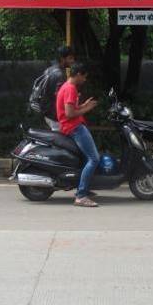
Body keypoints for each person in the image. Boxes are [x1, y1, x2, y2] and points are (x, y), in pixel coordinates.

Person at [56, 61, 100, 207]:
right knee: (94, 159)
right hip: (74, 127)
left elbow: (70, 109)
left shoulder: (66, 86)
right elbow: (69, 114)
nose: (85, 80)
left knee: (86, 158)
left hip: (71, 126)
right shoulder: (71, 88)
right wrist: (86, 110)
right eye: (84, 77)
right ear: (79, 74)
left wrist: (83, 105)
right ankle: (81, 195)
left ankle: (85, 187)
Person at [41, 45, 75, 131]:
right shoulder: (60, 75)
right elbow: (59, 97)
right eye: (70, 58)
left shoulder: (49, 70)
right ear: (62, 59)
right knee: (60, 142)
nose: (72, 61)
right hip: (54, 115)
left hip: (47, 112)